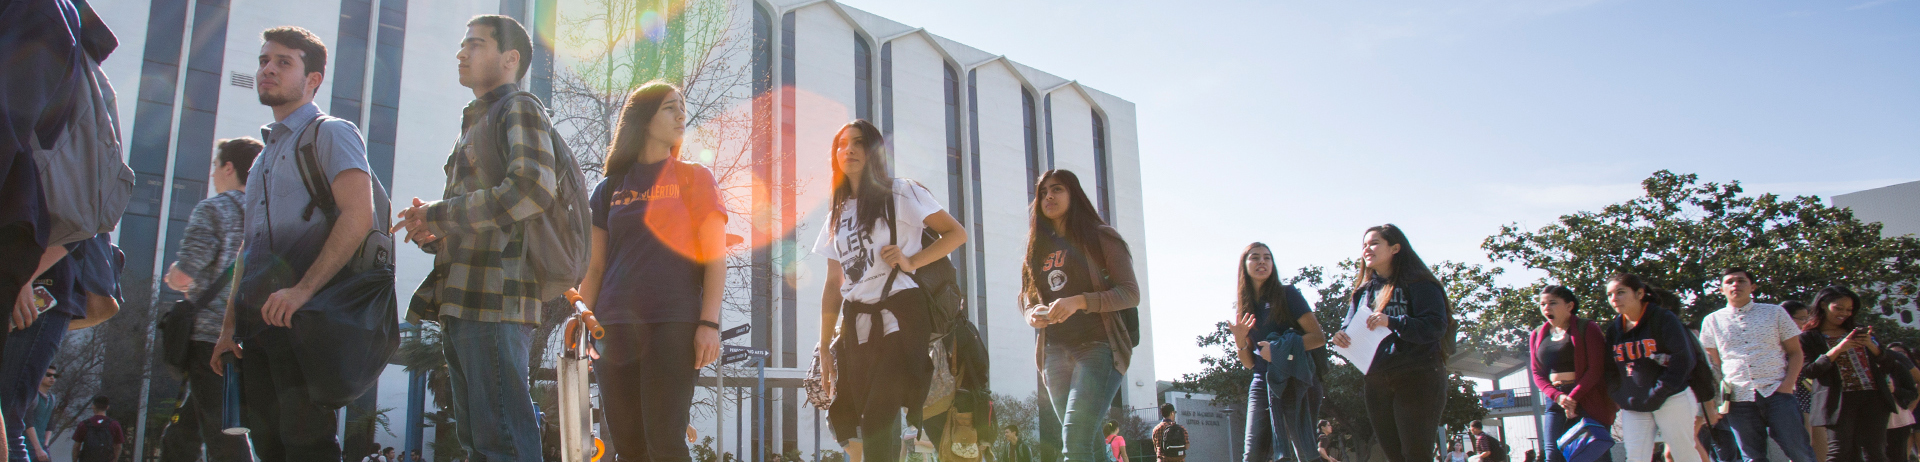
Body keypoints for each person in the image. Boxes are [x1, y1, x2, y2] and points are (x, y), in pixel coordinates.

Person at [391, 15, 559, 462]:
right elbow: (481, 218)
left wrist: (440, 215)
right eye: (462, 45)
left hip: (495, 299)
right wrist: (431, 229)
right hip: (465, 298)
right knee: (481, 445)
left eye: (476, 45)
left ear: (510, 59)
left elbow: (532, 188)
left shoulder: (518, 108)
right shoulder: (475, 121)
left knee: (501, 441)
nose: (462, 53)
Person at [210, 26, 378, 461]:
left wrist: (302, 291)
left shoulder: (332, 133)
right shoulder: (264, 156)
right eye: (265, 60)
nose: (268, 69)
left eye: (284, 62)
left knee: (308, 446)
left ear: (313, 79)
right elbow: (251, 247)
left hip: (307, 322)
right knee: (269, 448)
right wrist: (229, 328)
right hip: (258, 328)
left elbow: (360, 216)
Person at [575, 81, 725, 462]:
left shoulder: (695, 179)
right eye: (669, 108)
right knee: (629, 445)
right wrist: (579, 316)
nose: (681, 116)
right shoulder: (609, 189)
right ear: (642, 118)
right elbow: (595, 267)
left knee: (665, 440)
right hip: (613, 328)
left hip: (673, 323)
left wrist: (709, 323)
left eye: (682, 108)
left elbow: (715, 258)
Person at [813, 119, 967, 462]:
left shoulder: (901, 192)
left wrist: (913, 261)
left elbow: (956, 234)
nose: (847, 150)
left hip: (901, 315)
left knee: (877, 417)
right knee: (853, 419)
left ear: (873, 151)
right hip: (857, 324)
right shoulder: (836, 215)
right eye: (841, 144)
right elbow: (832, 284)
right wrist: (824, 346)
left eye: (857, 143)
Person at [1017, 169, 1136, 462]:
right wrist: (1032, 314)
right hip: (1054, 353)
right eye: (1043, 193)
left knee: (1075, 438)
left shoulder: (1101, 237)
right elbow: (1026, 298)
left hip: (1098, 348)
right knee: (1090, 441)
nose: (1048, 197)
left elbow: (1130, 292)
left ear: (1074, 194)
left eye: (1056, 189)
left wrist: (1080, 301)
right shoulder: (1036, 248)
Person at [158, 137, 259, 462]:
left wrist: (174, 275)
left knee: (225, 440)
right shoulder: (268, 214)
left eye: (216, 165)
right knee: (183, 435)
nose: (213, 173)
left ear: (229, 167)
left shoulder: (214, 209)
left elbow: (186, 274)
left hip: (211, 342)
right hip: (255, 337)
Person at [1327, 224, 1450, 462]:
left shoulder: (1420, 282)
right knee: (1394, 455)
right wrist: (1341, 336)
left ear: (1395, 248)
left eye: (1374, 243)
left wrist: (1392, 321)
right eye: (1364, 245)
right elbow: (1349, 326)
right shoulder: (1363, 291)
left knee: (1415, 454)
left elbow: (1435, 326)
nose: (1367, 249)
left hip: (1418, 375)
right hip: (1377, 380)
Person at [5, 234, 117, 462]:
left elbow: (77, 224)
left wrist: (24, 278)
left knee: (7, 417)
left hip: (37, 290)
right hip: (27, 289)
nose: (53, 378)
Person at [1699, 268, 1815, 462]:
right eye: (1729, 282)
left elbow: (1795, 352)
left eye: (1741, 281)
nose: (1735, 285)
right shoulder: (1712, 320)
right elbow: (1714, 361)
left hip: (1777, 392)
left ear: (1752, 286)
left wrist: (1787, 386)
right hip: (1738, 397)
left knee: (1799, 450)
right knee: (1752, 457)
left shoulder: (1774, 312)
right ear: (1721, 289)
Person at [1229, 242, 1327, 462]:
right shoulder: (1243, 306)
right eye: (1255, 257)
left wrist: (1279, 351)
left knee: (1306, 452)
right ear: (1244, 265)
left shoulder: (1287, 294)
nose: (1262, 262)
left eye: (1267, 257)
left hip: (1296, 378)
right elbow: (1249, 362)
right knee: (1253, 456)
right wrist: (1239, 340)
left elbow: (1318, 337)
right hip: (1262, 380)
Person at [1801, 286, 1914, 462]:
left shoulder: (1859, 331)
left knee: (1875, 452)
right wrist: (1839, 348)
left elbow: (1889, 365)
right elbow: (1809, 371)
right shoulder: (1809, 337)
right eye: (1838, 308)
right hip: (1838, 400)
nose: (1844, 313)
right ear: (1823, 305)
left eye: (1849, 310)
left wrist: (1872, 346)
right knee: (1840, 452)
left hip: (1873, 397)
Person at [1601, 273, 1702, 462]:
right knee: (1636, 457)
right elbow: (1609, 368)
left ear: (1639, 293)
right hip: (1635, 403)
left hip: (1672, 397)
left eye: (1620, 292)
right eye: (1609, 295)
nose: (1614, 298)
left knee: (1684, 455)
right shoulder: (1615, 329)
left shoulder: (1663, 318)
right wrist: (1619, 394)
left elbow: (1683, 360)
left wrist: (1659, 392)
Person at [1528, 285, 1617, 462]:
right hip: (1556, 401)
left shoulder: (1588, 327)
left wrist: (1573, 398)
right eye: (1543, 304)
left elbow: (1595, 369)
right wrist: (1558, 397)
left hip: (1587, 398)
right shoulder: (1537, 334)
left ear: (1569, 306)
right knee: (1553, 455)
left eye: (1552, 303)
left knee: (1593, 454)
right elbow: (1537, 373)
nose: (1546, 308)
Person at [1887, 343, 1920, 462]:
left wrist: (1912, 406)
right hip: (1897, 416)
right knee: (1903, 453)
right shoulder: (1886, 369)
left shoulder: (1911, 370)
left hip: (1911, 413)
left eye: (1900, 353)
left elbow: (1915, 389)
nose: (1896, 355)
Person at [72, 396, 122, 462]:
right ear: (107, 407)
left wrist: (74, 460)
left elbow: (76, 446)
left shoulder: (84, 424)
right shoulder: (114, 424)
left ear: (93, 406)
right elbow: (118, 446)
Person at [23, 368, 52, 462]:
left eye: (55, 376)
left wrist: (45, 446)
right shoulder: (31, 396)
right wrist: (38, 448)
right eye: (48, 375)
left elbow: (50, 425)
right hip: (26, 447)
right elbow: (28, 423)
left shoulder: (52, 399)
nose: (52, 378)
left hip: (41, 448)